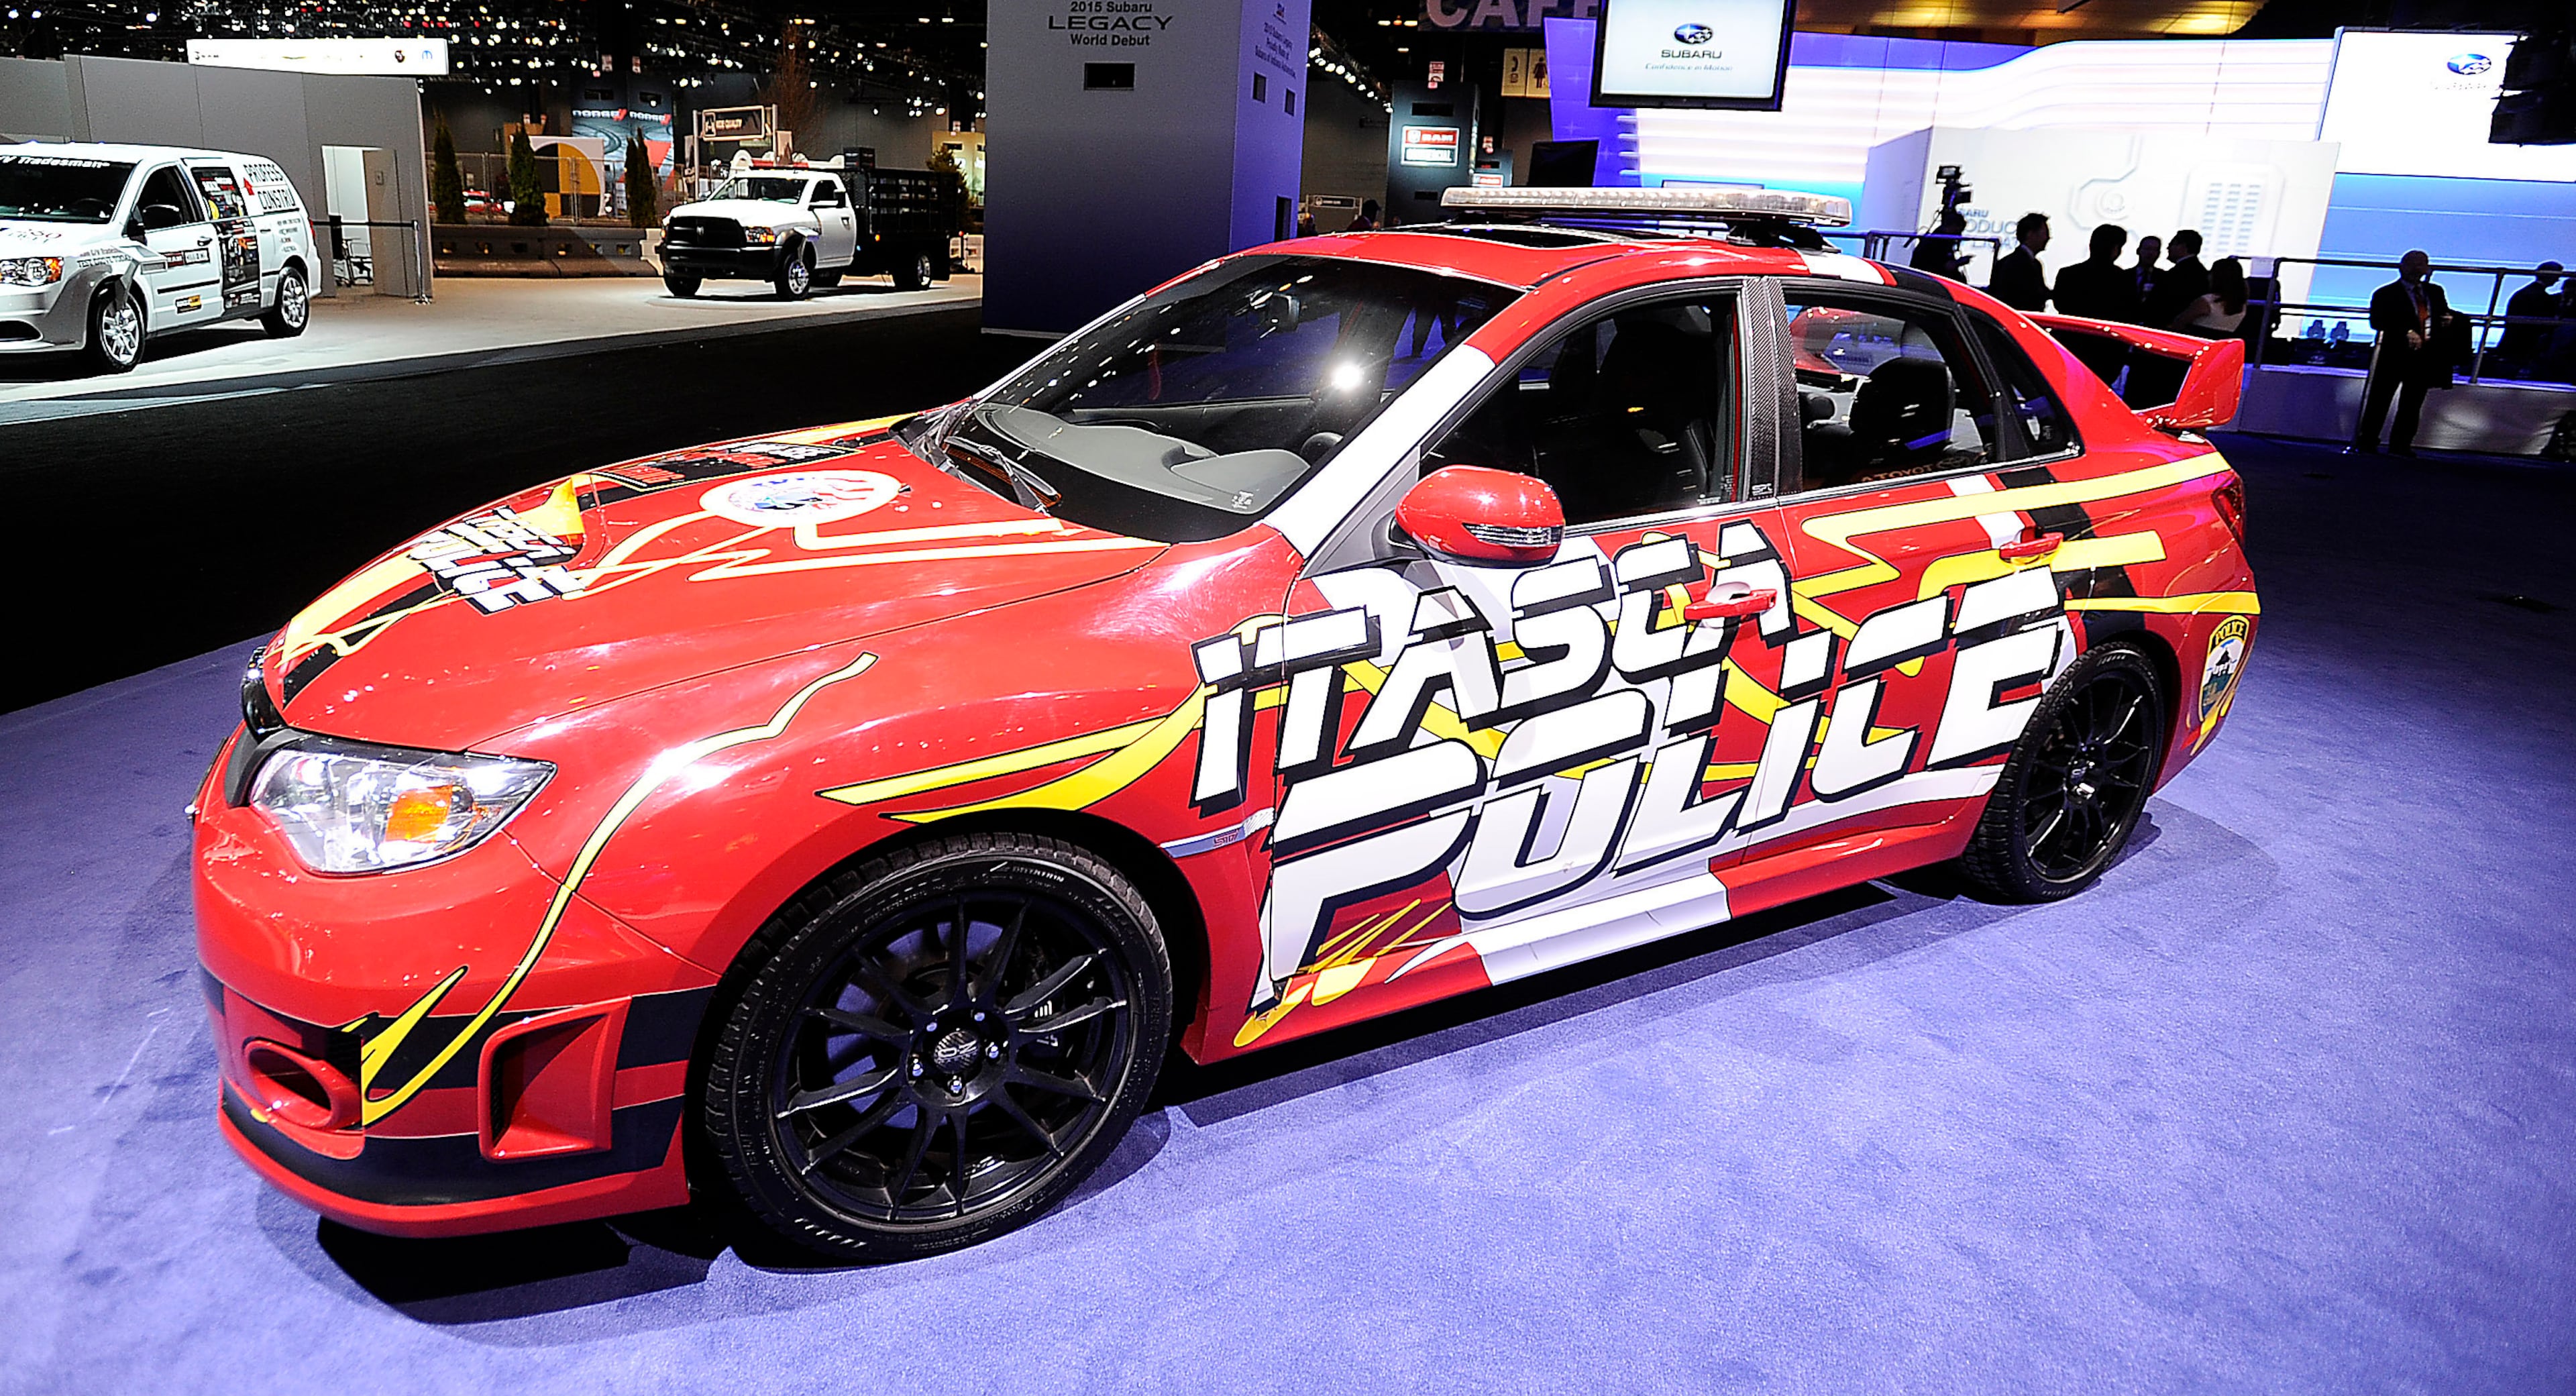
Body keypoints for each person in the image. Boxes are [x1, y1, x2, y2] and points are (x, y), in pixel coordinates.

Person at [2352, 249, 2457, 456]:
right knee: (2380, 401)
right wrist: (2406, 331)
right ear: (2401, 266)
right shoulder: (2385, 293)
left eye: (2421, 264)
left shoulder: (2435, 292)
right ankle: (2368, 441)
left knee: (2412, 404)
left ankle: (2401, 445)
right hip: (2394, 355)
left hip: (2424, 356)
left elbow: (2444, 312)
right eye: (2412, 264)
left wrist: (2449, 320)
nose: (2417, 269)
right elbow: (2377, 321)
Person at [2051, 223, 2138, 385]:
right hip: (2106, 353)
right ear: (2116, 249)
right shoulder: (2123, 279)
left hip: (2069, 347)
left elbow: (2060, 304)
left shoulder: (2068, 273)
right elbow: (2129, 315)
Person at [2494, 260, 2563, 368]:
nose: (2558, 280)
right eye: (2557, 276)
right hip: (2524, 346)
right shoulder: (2541, 297)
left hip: (2514, 343)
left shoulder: (2525, 293)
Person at [2143, 229, 2208, 329]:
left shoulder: (2177, 274)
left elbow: (2161, 304)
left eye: (2172, 244)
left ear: (2183, 247)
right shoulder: (2200, 272)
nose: (2168, 248)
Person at [1987, 211, 2051, 312]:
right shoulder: (2015, 263)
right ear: (2030, 234)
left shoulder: (2034, 263)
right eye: (2044, 233)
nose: (2048, 238)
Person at [2173, 256, 2249, 337]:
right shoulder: (2241, 305)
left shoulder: (2207, 302)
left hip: (2198, 343)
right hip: (2221, 346)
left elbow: (2179, 322)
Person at [1909, 207, 1968, 280]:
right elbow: (1946, 266)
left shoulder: (1943, 240)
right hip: (1929, 278)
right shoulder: (1937, 241)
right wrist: (1959, 262)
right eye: (1958, 231)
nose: (1959, 235)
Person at [2130, 234, 2164, 313]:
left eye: (2155, 250)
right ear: (2138, 251)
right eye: (2147, 249)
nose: (2151, 253)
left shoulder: (2164, 278)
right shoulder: (2124, 276)